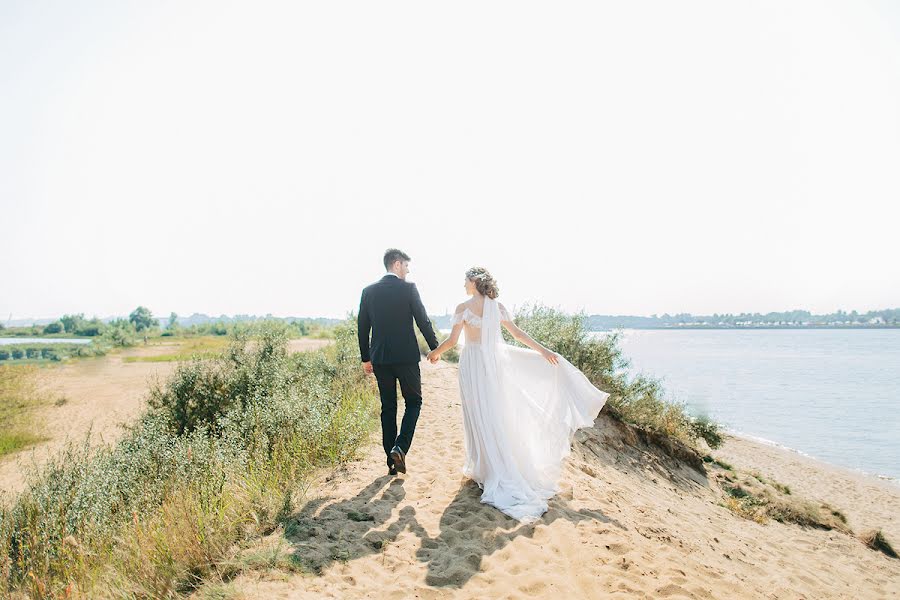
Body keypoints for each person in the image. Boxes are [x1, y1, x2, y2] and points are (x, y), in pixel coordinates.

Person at [427, 267, 609, 522]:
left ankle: (487, 468)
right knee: (494, 412)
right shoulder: (497, 306)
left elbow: (453, 341)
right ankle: (489, 466)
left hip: (473, 364)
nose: (463, 283)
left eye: (466, 279)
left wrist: (435, 353)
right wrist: (543, 350)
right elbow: (518, 334)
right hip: (493, 364)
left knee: (478, 413)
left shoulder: (463, 307)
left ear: (474, 282)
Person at [358, 248, 439, 476]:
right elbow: (423, 320)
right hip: (406, 358)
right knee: (414, 402)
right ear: (396, 264)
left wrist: (366, 358)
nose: (408, 269)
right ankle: (400, 447)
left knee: (388, 407)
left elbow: (362, 328)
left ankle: (391, 463)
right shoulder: (409, 289)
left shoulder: (368, 291)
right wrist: (435, 348)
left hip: (381, 359)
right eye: (405, 265)